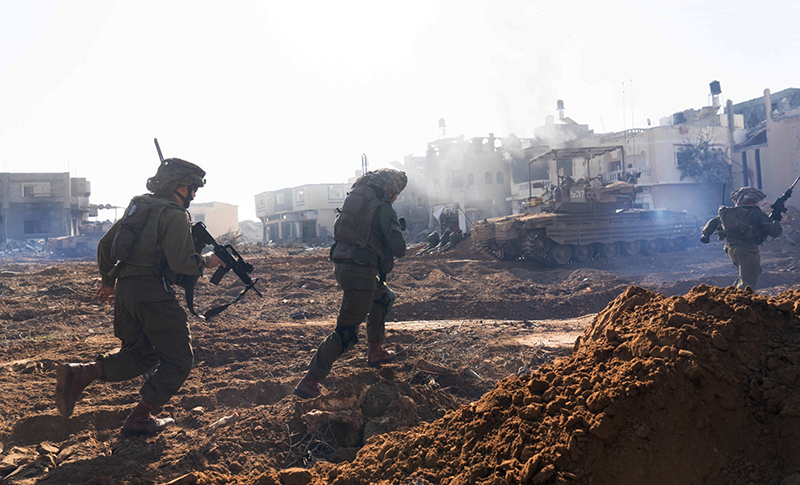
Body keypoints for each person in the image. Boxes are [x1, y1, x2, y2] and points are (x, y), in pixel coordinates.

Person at [55, 158, 224, 437]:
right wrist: (209, 261)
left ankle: (82, 373)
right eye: (192, 188)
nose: (194, 195)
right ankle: (140, 417)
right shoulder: (174, 213)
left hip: (126, 293)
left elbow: (106, 245)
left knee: (141, 355)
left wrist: (109, 282)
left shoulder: (140, 206)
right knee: (180, 359)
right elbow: (182, 262)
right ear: (179, 186)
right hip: (153, 294)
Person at [294, 169, 407, 399]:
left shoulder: (358, 202)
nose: (396, 198)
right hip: (360, 273)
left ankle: (375, 350)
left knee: (384, 297)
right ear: (390, 191)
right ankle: (310, 380)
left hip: (345, 266)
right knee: (346, 332)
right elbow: (399, 249)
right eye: (396, 194)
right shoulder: (382, 208)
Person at [701, 186, 782, 290]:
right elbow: (775, 233)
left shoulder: (731, 213)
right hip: (747, 250)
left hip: (731, 249)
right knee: (748, 281)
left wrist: (705, 234)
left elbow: (713, 222)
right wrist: (776, 221)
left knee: (746, 276)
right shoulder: (757, 214)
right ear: (751, 199)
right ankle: (738, 302)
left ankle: (730, 294)